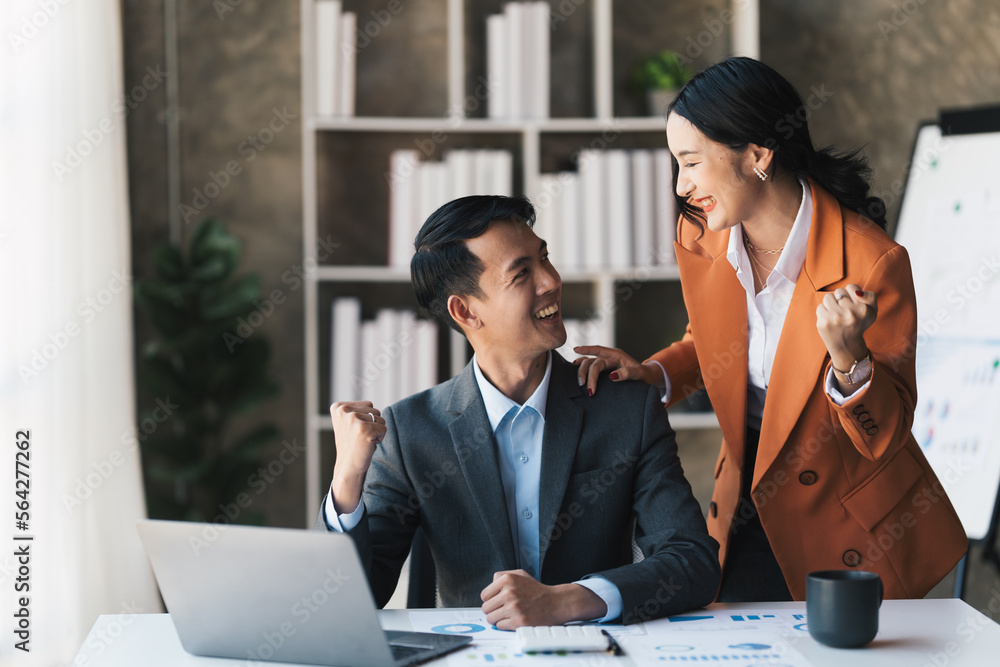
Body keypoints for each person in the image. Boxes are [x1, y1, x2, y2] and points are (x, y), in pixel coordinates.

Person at [574, 57, 967, 602]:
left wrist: (852, 362)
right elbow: (708, 345)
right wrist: (655, 375)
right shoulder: (703, 233)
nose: (682, 185)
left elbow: (888, 435)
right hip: (745, 501)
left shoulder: (872, 264)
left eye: (690, 163)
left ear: (758, 155)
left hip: (846, 524)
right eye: (676, 165)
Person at [316, 195, 721, 627]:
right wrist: (347, 480)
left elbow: (692, 562)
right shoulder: (410, 431)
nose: (551, 280)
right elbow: (357, 597)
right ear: (465, 310)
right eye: (522, 273)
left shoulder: (625, 409)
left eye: (544, 258)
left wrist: (569, 601)